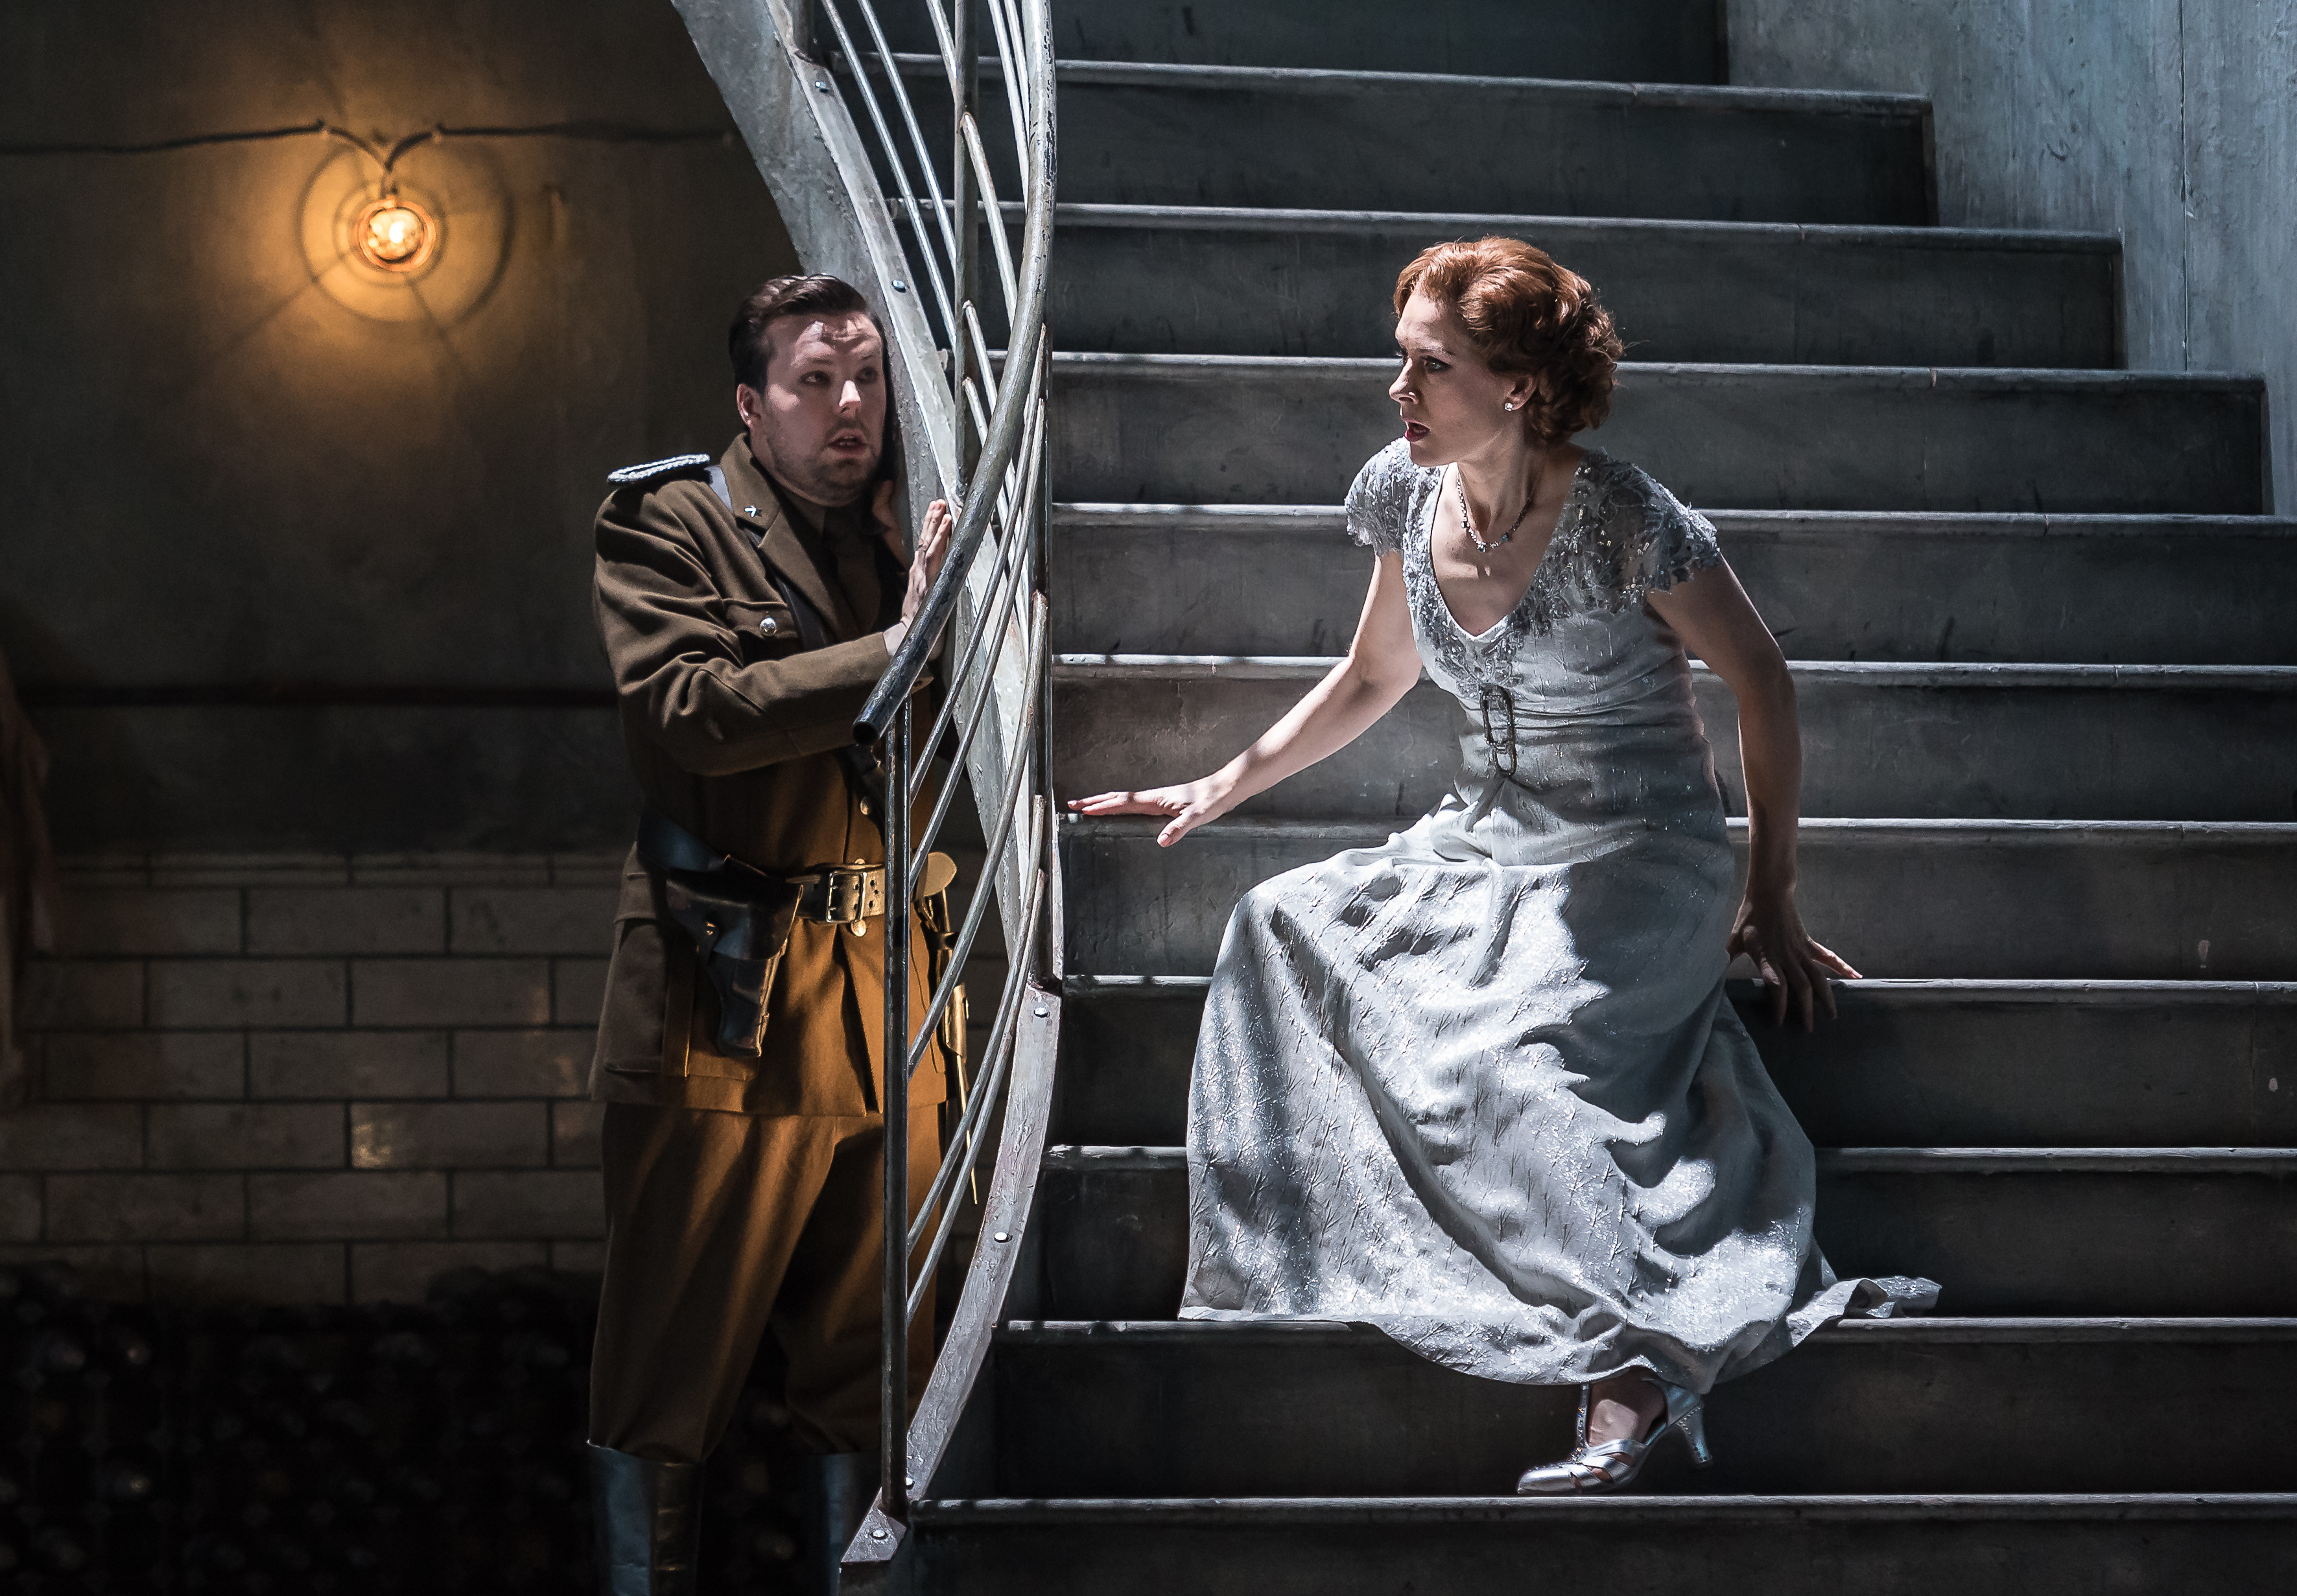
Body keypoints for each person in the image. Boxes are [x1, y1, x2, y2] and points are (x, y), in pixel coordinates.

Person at [1073, 237, 1935, 1494]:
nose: (1397, 391)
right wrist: (1226, 779)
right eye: (1400, 359)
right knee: (1272, 919)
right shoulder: (1400, 490)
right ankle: (1307, 1260)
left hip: (1642, 854)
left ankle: (1632, 1374)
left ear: (1520, 387)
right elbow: (1375, 673)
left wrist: (1769, 890)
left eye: (1430, 366)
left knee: (1513, 1063)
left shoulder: (1626, 516)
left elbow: (1759, 678)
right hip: (1484, 834)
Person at [584, 272, 952, 1590]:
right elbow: (687, 708)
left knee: (874, 1368)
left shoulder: (914, 523)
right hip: (725, 989)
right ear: (753, 401)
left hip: (893, 996)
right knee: (664, 1372)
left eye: (865, 377)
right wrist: (900, 648)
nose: (849, 405)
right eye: (814, 381)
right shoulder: (672, 520)